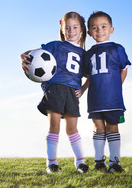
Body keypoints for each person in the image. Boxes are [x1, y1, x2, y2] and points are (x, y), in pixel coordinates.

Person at [20, 12, 89, 173]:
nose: (71, 31)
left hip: (72, 92)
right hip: (55, 89)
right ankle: (51, 162)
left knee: (72, 128)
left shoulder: (84, 54)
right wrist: (21, 57)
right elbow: (32, 54)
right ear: (61, 28)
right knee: (54, 126)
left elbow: (91, 75)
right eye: (67, 27)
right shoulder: (55, 46)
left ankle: (80, 162)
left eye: (75, 27)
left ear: (81, 29)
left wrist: (83, 89)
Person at [82, 11, 131, 173]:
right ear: (89, 32)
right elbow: (88, 76)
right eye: (95, 28)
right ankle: (99, 162)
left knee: (113, 127)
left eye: (103, 27)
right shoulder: (88, 54)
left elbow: (124, 70)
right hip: (95, 99)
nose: (99, 31)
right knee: (98, 128)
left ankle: (114, 163)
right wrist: (82, 90)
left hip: (113, 99)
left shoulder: (117, 49)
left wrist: (117, 86)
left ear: (111, 29)